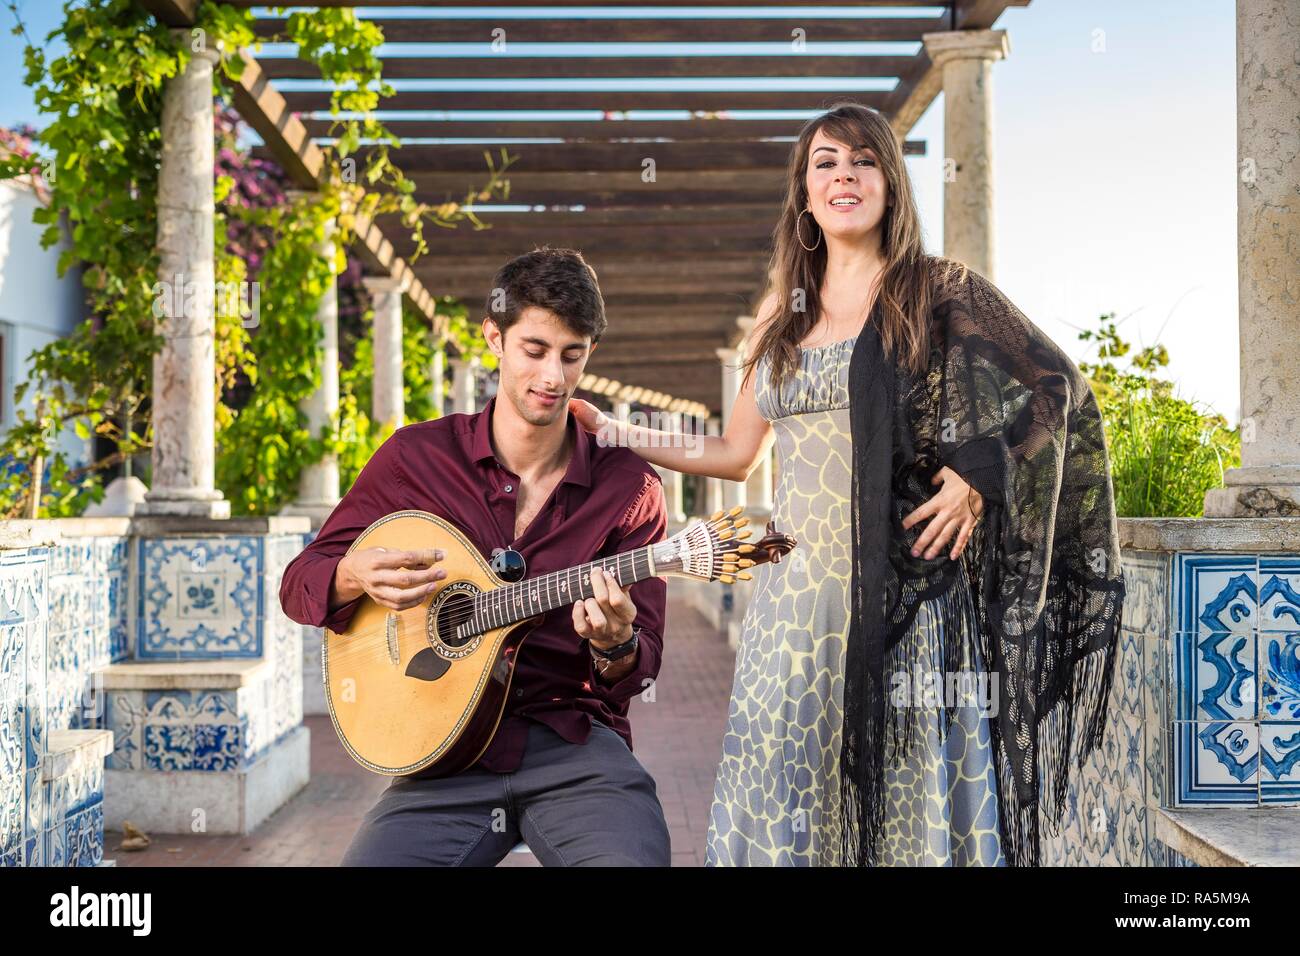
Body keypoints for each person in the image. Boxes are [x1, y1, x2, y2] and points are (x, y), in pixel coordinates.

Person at [570, 102, 1125, 867]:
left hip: (908, 605)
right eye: (825, 163)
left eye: (863, 161)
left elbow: (1053, 389)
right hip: (791, 605)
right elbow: (735, 451)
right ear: (804, 194)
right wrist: (619, 431)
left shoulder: (937, 293)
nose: (844, 176)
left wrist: (976, 472)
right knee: (786, 797)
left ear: (891, 185)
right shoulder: (781, 317)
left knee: (907, 804)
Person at [280, 247, 672, 866]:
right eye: (535, 350)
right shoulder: (415, 459)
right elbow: (299, 583)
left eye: (573, 355)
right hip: (443, 754)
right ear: (494, 336)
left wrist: (615, 646)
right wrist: (352, 573)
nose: (553, 378)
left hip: (573, 746)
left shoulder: (628, 487)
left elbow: (641, 667)